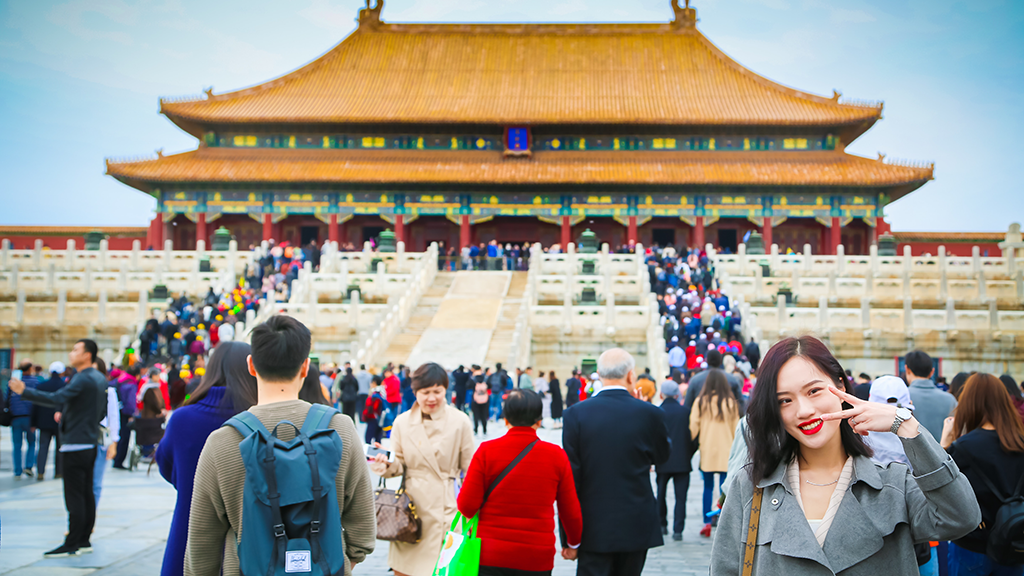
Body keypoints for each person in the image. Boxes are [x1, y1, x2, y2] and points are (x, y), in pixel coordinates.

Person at [710, 335, 981, 575]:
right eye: (785, 400)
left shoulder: (893, 485)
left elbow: (961, 517)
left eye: (814, 391)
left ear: (840, 386)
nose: (803, 411)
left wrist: (906, 425)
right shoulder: (751, 487)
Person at [184, 315, 376, 576]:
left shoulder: (223, 440)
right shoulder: (339, 428)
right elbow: (363, 527)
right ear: (305, 367)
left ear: (251, 365)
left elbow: (201, 543)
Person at [563, 348, 670, 576]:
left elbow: (572, 479)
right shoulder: (650, 414)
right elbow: (662, 457)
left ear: (600, 374)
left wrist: (569, 538)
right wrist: (644, 411)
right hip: (635, 522)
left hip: (592, 525)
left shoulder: (575, 414)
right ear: (631, 375)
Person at [155, 341, 258, 576]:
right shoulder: (260, 420)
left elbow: (167, 466)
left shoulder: (182, 418)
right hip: (251, 539)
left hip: (190, 529)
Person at [458, 389, 583, 575]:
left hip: (490, 555)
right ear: (539, 421)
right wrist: (572, 544)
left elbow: (466, 505)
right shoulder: (556, 456)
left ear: (506, 420)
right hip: (536, 557)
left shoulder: (486, 451)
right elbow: (570, 510)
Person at [371, 362, 475, 576]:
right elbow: (399, 465)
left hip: (448, 509)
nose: (431, 398)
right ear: (415, 392)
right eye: (425, 392)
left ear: (446, 390)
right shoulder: (402, 423)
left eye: (437, 391)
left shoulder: (460, 421)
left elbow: (470, 471)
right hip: (409, 514)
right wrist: (385, 462)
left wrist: (471, 515)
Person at [9, 339, 108, 557]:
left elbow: (57, 398)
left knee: (74, 495)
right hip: (89, 441)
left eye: (75, 350)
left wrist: (24, 391)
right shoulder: (99, 378)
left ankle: (72, 542)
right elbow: (101, 411)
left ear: (87, 355)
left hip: (75, 443)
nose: (71, 353)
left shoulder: (82, 378)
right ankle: (84, 540)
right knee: (86, 493)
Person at [941, 373, 1024, 576]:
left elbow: (942, 492)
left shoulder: (963, 447)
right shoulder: (1019, 442)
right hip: (1014, 541)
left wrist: (944, 446)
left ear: (969, 403)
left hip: (972, 543)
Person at [690, 369, 740, 537]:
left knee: (707, 486)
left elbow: (693, 427)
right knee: (724, 488)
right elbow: (735, 429)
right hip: (727, 450)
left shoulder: (700, 402)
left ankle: (706, 521)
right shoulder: (731, 402)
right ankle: (721, 518)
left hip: (707, 450)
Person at [656, 380, 694, 542]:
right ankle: (678, 530)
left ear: (661, 395)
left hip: (662, 461)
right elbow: (693, 436)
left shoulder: (658, 412)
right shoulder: (685, 412)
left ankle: (662, 525)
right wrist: (689, 452)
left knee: (661, 494)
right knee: (681, 498)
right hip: (682, 461)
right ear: (677, 395)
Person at [905, 350, 957, 443]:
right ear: (932, 371)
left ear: (907, 369)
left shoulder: (903, 397)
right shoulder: (950, 400)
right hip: (942, 451)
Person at [33, 362, 66, 480]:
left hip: (44, 422)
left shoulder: (41, 386)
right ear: (62, 372)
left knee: (43, 447)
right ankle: (59, 472)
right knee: (60, 448)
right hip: (60, 422)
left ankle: (40, 472)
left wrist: (33, 422)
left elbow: (35, 406)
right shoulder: (65, 386)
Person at [8, 360, 38, 478]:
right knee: (32, 443)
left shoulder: (13, 382)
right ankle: (29, 466)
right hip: (30, 418)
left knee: (17, 445)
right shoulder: (35, 381)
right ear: (30, 369)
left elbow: (7, 399)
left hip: (15, 417)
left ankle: (17, 471)